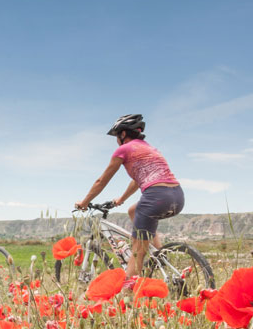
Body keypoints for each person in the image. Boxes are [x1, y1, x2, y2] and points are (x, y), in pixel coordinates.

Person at [74, 114, 184, 281]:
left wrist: (84, 202)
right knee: (133, 210)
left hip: (155, 198)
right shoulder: (150, 149)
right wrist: (121, 199)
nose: (117, 140)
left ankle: (128, 293)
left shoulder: (123, 150)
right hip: (177, 196)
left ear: (123, 134)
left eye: (117, 136)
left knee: (137, 251)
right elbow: (136, 180)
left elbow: (101, 181)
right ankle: (161, 257)